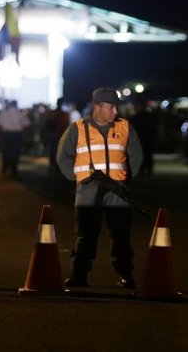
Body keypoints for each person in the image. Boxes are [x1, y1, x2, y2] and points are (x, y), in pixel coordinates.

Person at [56, 87, 143, 288]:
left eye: (116, 108)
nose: (115, 112)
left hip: (117, 190)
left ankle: (126, 275)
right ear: (97, 107)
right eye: (111, 107)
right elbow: (63, 157)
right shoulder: (77, 128)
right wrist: (78, 177)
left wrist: (126, 179)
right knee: (86, 234)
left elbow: (137, 155)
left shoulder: (125, 127)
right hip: (89, 189)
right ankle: (79, 274)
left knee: (121, 234)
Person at [0, 99, 30, 177]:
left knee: (6, 150)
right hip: (17, 135)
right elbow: (26, 125)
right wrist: (25, 136)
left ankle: (5, 167)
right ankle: (14, 169)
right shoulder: (19, 114)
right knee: (15, 152)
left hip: (6, 134)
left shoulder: (4, 113)